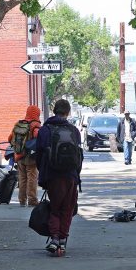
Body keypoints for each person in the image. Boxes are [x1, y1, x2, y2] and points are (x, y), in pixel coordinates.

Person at [35, 99, 83, 256]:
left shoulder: (45, 130)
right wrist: (76, 175)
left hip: (53, 175)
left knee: (55, 208)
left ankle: (55, 239)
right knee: (67, 209)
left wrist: (43, 174)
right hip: (71, 176)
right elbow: (79, 156)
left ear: (54, 110)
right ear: (68, 112)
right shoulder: (74, 130)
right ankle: (62, 239)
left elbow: (39, 155)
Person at [9, 105, 42, 207]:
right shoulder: (35, 125)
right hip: (31, 157)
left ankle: (22, 200)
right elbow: (40, 138)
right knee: (32, 178)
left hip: (19, 156)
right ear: (37, 113)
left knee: (22, 178)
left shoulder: (19, 124)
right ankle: (32, 200)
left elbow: (10, 138)